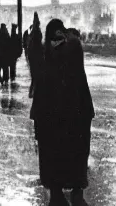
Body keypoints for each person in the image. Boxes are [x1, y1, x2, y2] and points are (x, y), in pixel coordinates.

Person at [31, 20, 94, 206]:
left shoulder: (46, 58)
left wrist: (36, 34)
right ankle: (76, 191)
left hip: (51, 113)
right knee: (76, 152)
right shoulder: (72, 52)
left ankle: (58, 193)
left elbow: (34, 58)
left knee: (52, 154)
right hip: (76, 110)